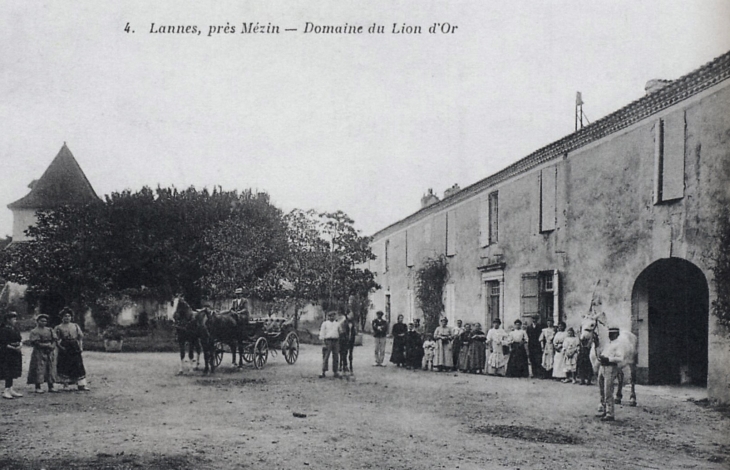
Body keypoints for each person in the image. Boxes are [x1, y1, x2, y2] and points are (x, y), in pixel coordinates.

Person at [54, 307, 90, 391]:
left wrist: (80, 346)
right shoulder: (58, 327)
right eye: (65, 316)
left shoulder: (75, 326)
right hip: (65, 346)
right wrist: (60, 347)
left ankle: (81, 385)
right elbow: (55, 339)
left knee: (78, 365)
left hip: (74, 346)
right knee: (65, 365)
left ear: (71, 317)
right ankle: (65, 384)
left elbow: (80, 337)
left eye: (69, 316)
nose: (67, 318)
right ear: (61, 317)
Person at [597, 328, 624, 421]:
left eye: (612, 333)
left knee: (608, 390)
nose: (610, 335)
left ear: (617, 334)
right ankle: (604, 410)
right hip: (602, 366)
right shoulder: (608, 343)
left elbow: (620, 358)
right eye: (609, 333)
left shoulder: (618, 344)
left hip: (610, 367)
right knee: (601, 389)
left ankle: (610, 413)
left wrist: (609, 359)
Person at [27, 314, 58, 393]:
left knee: (50, 367)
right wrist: (46, 345)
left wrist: (52, 346)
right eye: (42, 321)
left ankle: (51, 386)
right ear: (38, 321)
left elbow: (54, 339)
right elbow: (35, 342)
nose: (44, 322)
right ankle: (38, 386)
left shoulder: (49, 330)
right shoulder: (34, 331)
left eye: (45, 321)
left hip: (49, 351)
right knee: (39, 368)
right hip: (39, 351)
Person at [0, 311, 23, 399]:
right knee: (7, 370)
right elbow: (3, 343)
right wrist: (13, 348)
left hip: (15, 352)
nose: (15, 320)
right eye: (13, 319)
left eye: (15, 318)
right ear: (7, 320)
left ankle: (10, 389)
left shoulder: (15, 329)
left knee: (14, 370)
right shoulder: (3, 329)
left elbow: (20, 339)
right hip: (7, 352)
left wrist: (20, 346)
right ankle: (6, 390)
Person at [318, 311, 342, 378]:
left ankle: (335, 371)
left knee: (336, 356)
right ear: (328, 317)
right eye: (331, 316)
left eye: (333, 316)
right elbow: (322, 332)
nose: (332, 317)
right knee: (326, 356)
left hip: (335, 340)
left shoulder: (337, 324)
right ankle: (323, 371)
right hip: (328, 341)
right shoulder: (325, 324)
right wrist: (323, 341)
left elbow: (340, 332)